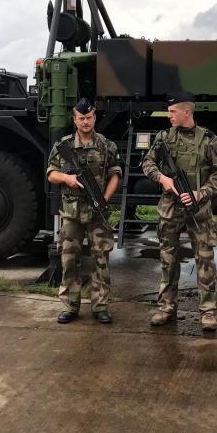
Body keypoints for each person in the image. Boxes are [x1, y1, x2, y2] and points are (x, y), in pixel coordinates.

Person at [141, 90, 217, 331]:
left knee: (205, 259)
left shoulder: (209, 140)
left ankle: (208, 312)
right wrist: (162, 179)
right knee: (168, 259)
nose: (168, 115)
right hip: (170, 208)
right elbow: (147, 162)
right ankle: (166, 307)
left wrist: (200, 193)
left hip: (198, 210)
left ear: (186, 112)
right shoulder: (164, 138)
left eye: (172, 112)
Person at [46, 98, 122, 324]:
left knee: (101, 259)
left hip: (98, 213)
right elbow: (51, 173)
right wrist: (67, 178)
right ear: (75, 119)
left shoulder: (107, 146)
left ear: (95, 117)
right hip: (71, 213)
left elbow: (115, 175)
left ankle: (100, 306)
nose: (86, 122)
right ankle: (71, 306)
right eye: (82, 118)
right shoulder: (65, 145)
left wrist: (104, 200)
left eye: (89, 117)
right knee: (69, 260)